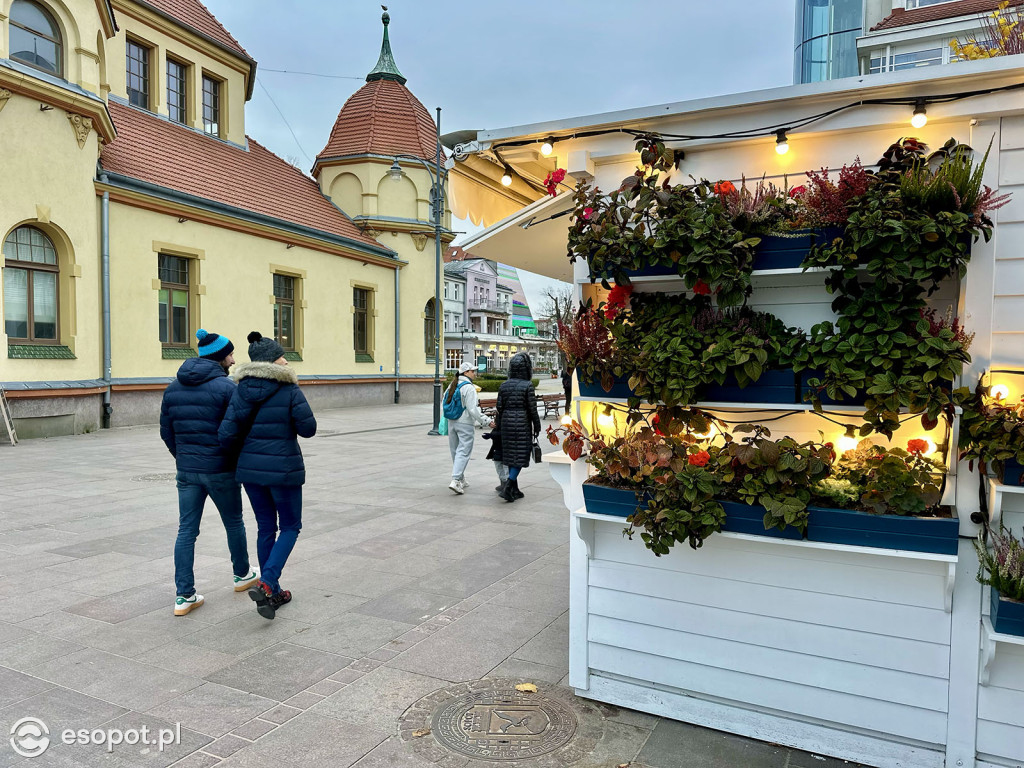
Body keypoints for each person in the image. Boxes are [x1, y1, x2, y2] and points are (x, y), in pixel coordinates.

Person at [160, 329, 258, 617]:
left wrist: (183, 458)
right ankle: (242, 574)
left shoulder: (172, 388)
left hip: (187, 471)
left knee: (186, 530)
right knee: (234, 522)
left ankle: (184, 595)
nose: (233, 358)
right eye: (230, 353)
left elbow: (166, 432)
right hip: (221, 469)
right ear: (220, 357)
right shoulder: (227, 389)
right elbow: (238, 431)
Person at [219, 331, 316, 620]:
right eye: (282, 355)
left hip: (250, 472)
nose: (287, 359)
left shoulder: (240, 390)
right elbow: (308, 428)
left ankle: (271, 591)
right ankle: (268, 582)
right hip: (283, 471)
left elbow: (226, 435)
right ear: (274, 360)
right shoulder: (289, 390)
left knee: (265, 527)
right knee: (290, 526)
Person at [495, 352, 542, 503]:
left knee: (510, 455)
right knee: (520, 456)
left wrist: (499, 425)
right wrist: (537, 425)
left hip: (506, 424)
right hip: (522, 423)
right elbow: (532, 409)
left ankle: (515, 489)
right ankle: (508, 487)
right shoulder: (528, 385)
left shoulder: (504, 385)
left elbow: (499, 407)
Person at [445, 361, 490, 494]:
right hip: (465, 422)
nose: (474, 373)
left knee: (455, 451)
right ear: (466, 372)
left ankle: (461, 478)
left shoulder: (452, 385)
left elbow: (444, 401)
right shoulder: (469, 387)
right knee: (464, 451)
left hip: (452, 421)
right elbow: (473, 409)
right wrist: (486, 421)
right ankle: (456, 480)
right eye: (472, 371)